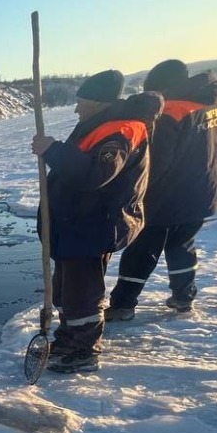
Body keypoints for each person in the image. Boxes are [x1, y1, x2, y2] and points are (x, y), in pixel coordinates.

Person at [31, 70, 163, 373]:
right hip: (76, 224)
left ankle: (84, 351)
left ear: (98, 102)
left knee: (82, 293)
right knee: (66, 290)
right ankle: (69, 339)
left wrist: (53, 150)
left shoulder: (120, 132)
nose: (76, 108)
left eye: (81, 101)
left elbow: (95, 174)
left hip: (92, 226)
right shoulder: (100, 125)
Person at [106, 60, 217, 319]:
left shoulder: (171, 111)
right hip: (203, 190)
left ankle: (123, 305)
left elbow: (157, 161)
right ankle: (184, 297)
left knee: (142, 248)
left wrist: (135, 188)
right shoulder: (212, 100)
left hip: (167, 195)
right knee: (182, 244)